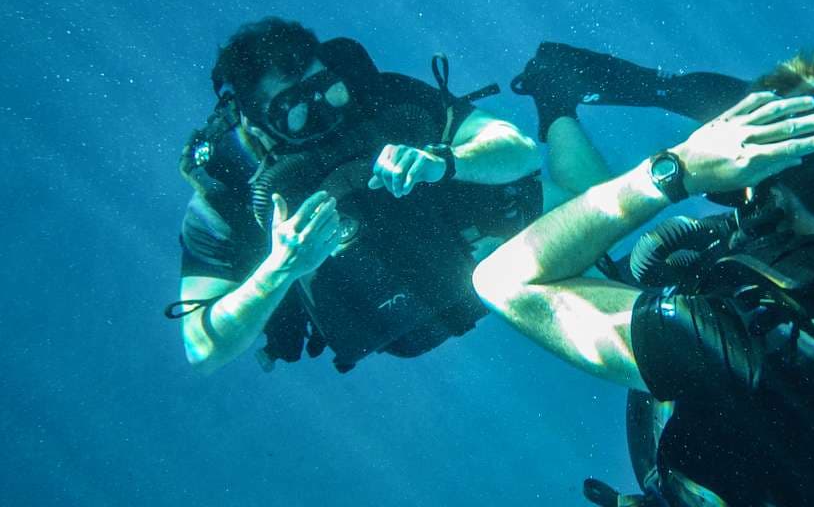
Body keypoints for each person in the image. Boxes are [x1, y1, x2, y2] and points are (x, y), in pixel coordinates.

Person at [474, 53, 814, 505]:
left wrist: (676, 169)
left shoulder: (726, 332)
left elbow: (507, 280)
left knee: (610, 269)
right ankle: (555, 105)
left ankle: (555, 106)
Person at [168, 19, 744, 376]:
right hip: (397, 310)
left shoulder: (380, 98)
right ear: (255, 121)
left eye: (325, 87)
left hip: (466, 234)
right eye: (292, 106)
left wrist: (445, 161)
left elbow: (513, 148)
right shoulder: (227, 200)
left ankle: (556, 91)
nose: (324, 111)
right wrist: (279, 269)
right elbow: (202, 347)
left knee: (597, 207)